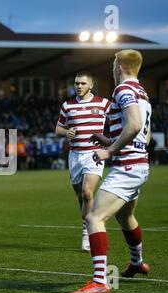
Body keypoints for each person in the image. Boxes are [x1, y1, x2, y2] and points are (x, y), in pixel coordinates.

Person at [69, 49, 152, 293]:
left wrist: (110, 150)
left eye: (113, 64)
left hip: (126, 167)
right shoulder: (143, 93)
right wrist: (107, 140)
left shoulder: (123, 90)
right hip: (139, 163)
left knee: (94, 218)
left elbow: (135, 125)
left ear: (119, 67)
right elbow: (144, 136)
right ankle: (137, 263)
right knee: (126, 218)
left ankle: (99, 282)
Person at [55, 71, 111, 252]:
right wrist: (67, 132)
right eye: (76, 83)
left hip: (94, 154)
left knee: (87, 193)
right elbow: (58, 128)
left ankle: (88, 234)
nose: (79, 86)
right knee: (81, 196)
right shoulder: (68, 105)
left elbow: (120, 119)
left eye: (82, 83)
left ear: (91, 85)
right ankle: (87, 222)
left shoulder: (103, 104)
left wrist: (109, 140)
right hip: (75, 156)